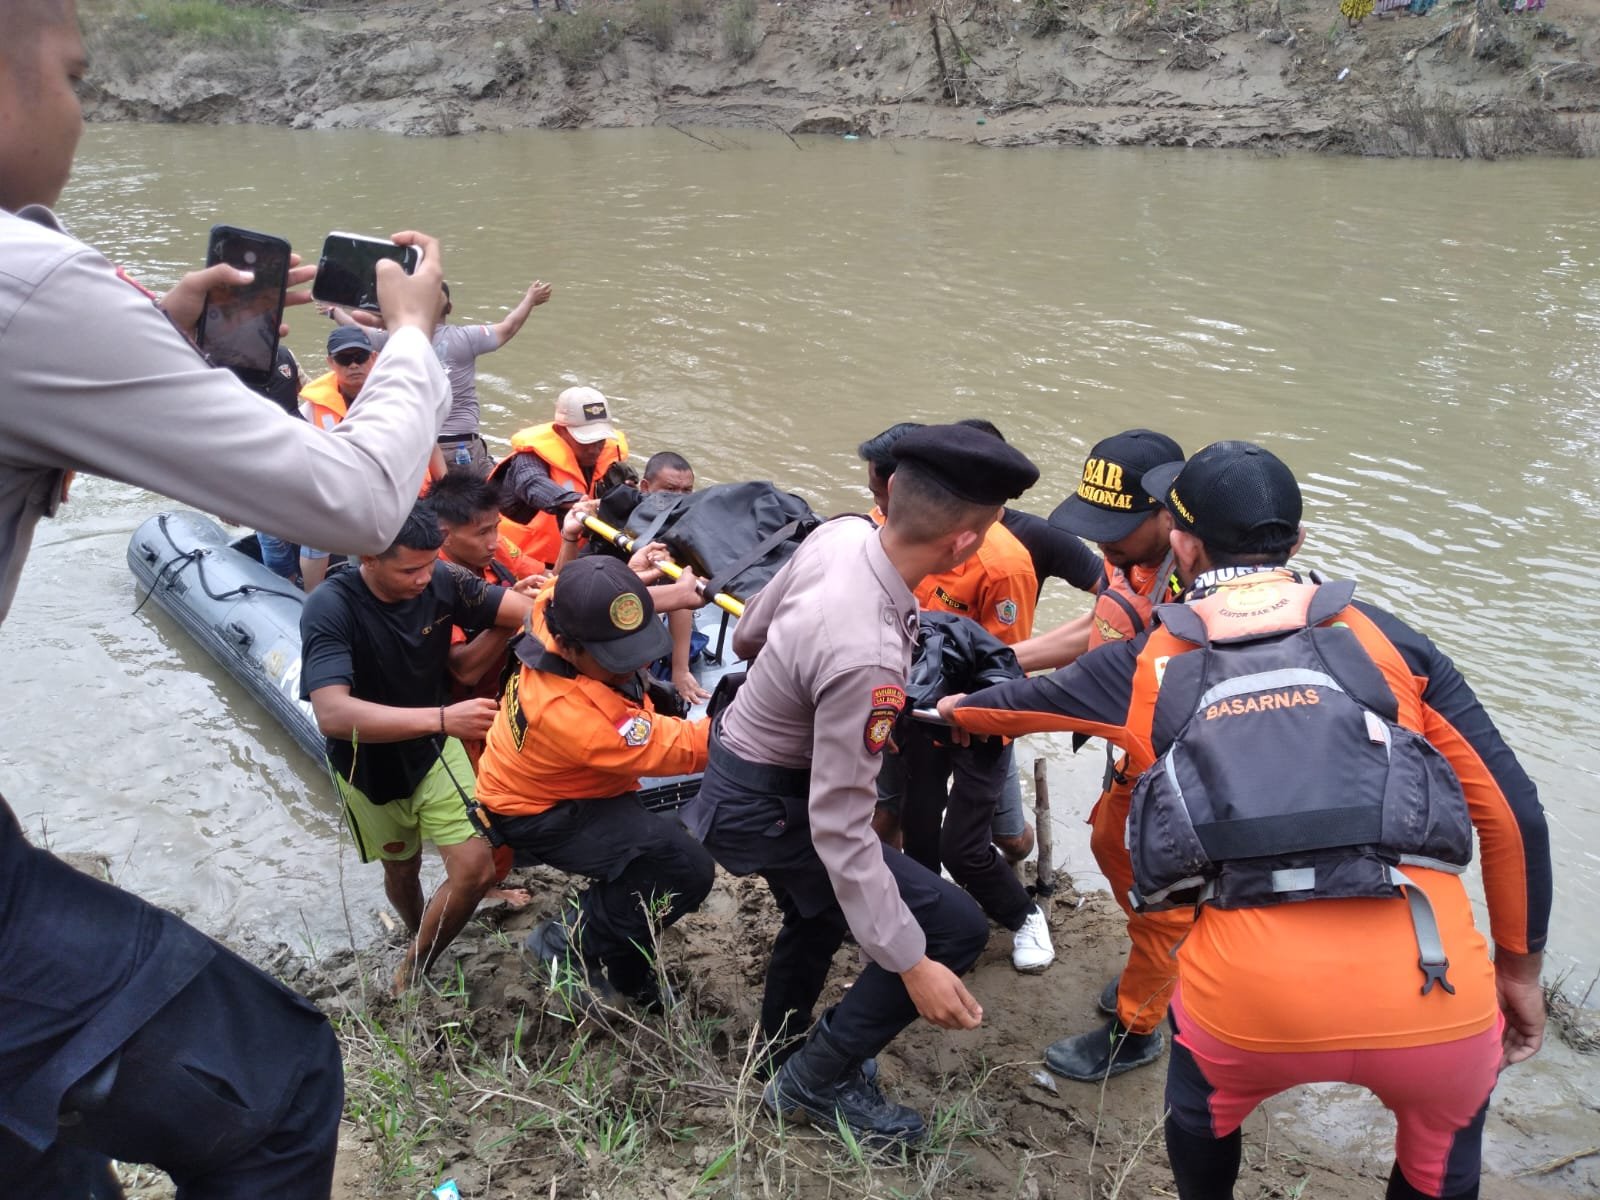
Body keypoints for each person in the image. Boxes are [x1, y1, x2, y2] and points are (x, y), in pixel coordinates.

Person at [0, 3, 454, 1192]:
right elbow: (358, 504)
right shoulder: (30, 280)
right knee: (280, 1085)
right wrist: (412, 338)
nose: (79, 110)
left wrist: (160, 336)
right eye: (74, 77)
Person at [940, 441, 1551, 1200]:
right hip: (1437, 992)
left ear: (1183, 545)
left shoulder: (1146, 658)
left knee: (1202, 1125)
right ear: (1296, 543)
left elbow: (990, 711)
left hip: (1249, 1007)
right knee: (1441, 1168)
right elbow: (1514, 815)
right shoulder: (1391, 639)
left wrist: (937, 703)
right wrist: (1520, 972)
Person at [681, 425, 1040, 1145]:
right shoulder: (868, 654)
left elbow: (749, 635)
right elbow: (842, 830)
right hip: (768, 807)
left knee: (819, 915)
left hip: (734, 767)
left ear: (890, 496)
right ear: (965, 543)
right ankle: (815, 1084)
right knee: (954, 925)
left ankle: (783, 1054)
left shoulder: (839, 535)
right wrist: (914, 965)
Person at [1009, 428, 1192, 1079]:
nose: (1099, 542)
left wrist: (994, 699)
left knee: (1162, 896)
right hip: (1132, 761)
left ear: (1170, 512)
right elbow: (1105, 626)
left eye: (1116, 526)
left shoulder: (1206, 585)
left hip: (1181, 774)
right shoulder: (1133, 560)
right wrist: (1004, 661)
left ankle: (1139, 1030)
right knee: (1114, 850)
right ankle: (1167, 961)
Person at [301, 501, 538, 993]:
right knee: (401, 867)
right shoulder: (330, 607)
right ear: (369, 558)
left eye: (431, 563)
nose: (425, 578)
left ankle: (414, 967)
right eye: (411, 568)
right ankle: (417, 930)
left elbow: (528, 611)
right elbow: (333, 713)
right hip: (366, 766)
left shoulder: (444, 579)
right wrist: (444, 717)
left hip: (434, 752)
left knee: (473, 870)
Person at [475, 556, 715, 1010]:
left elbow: (576, 591)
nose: (636, 663)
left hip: (551, 781)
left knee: (643, 870)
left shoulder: (551, 604)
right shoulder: (570, 714)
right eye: (616, 659)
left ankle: (628, 975)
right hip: (539, 812)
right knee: (684, 868)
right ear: (567, 646)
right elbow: (684, 747)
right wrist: (764, 713)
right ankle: (560, 942)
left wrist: (653, 582)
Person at [900, 422, 1052, 975]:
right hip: (914, 714)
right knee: (917, 829)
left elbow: (1008, 665)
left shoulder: (1003, 563)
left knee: (969, 844)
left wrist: (975, 708)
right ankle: (928, 920)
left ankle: (1024, 914)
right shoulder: (897, 533)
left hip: (977, 721)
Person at [330, 277, 553, 475]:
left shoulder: (397, 338)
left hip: (421, 448)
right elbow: (508, 327)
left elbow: (358, 330)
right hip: (462, 444)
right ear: (450, 308)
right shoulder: (466, 337)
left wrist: (334, 311)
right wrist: (529, 300)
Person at [299, 326, 447, 591]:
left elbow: (429, 442)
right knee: (314, 535)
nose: (354, 365)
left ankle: (372, 594)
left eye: (361, 357)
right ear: (331, 363)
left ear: (374, 358)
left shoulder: (399, 397)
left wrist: (446, 487)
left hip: (391, 489)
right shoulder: (311, 409)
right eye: (345, 359)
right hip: (338, 491)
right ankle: (311, 596)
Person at [493, 385, 629, 570]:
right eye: (586, 441)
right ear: (561, 430)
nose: (594, 449)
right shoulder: (528, 460)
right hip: (523, 566)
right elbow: (532, 484)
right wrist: (577, 503)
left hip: (575, 559)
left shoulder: (610, 458)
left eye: (600, 440)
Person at [247, 343, 306, 581]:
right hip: (256, 451)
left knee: (307, 516)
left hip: (298, 445)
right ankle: (285, 587)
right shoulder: (222, 363)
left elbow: (308, 388)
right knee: (270, 531)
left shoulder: (286, 355)